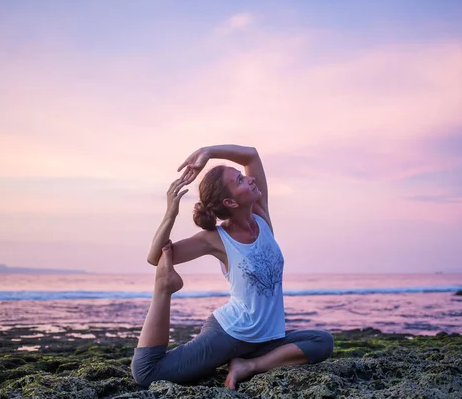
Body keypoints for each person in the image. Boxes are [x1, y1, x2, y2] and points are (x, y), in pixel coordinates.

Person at [131, 144, 334, 389]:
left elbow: (252, 154)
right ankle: (164, 289)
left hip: (265, 339)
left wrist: (207, 152)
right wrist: (170, 214)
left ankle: (248, 365)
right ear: (231, 201)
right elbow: (157, 257)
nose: (249, 179)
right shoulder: (216, 239)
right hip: (230, 334)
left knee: (322, 342)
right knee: (147, 373)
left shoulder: (261, 217)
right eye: (240, 180)